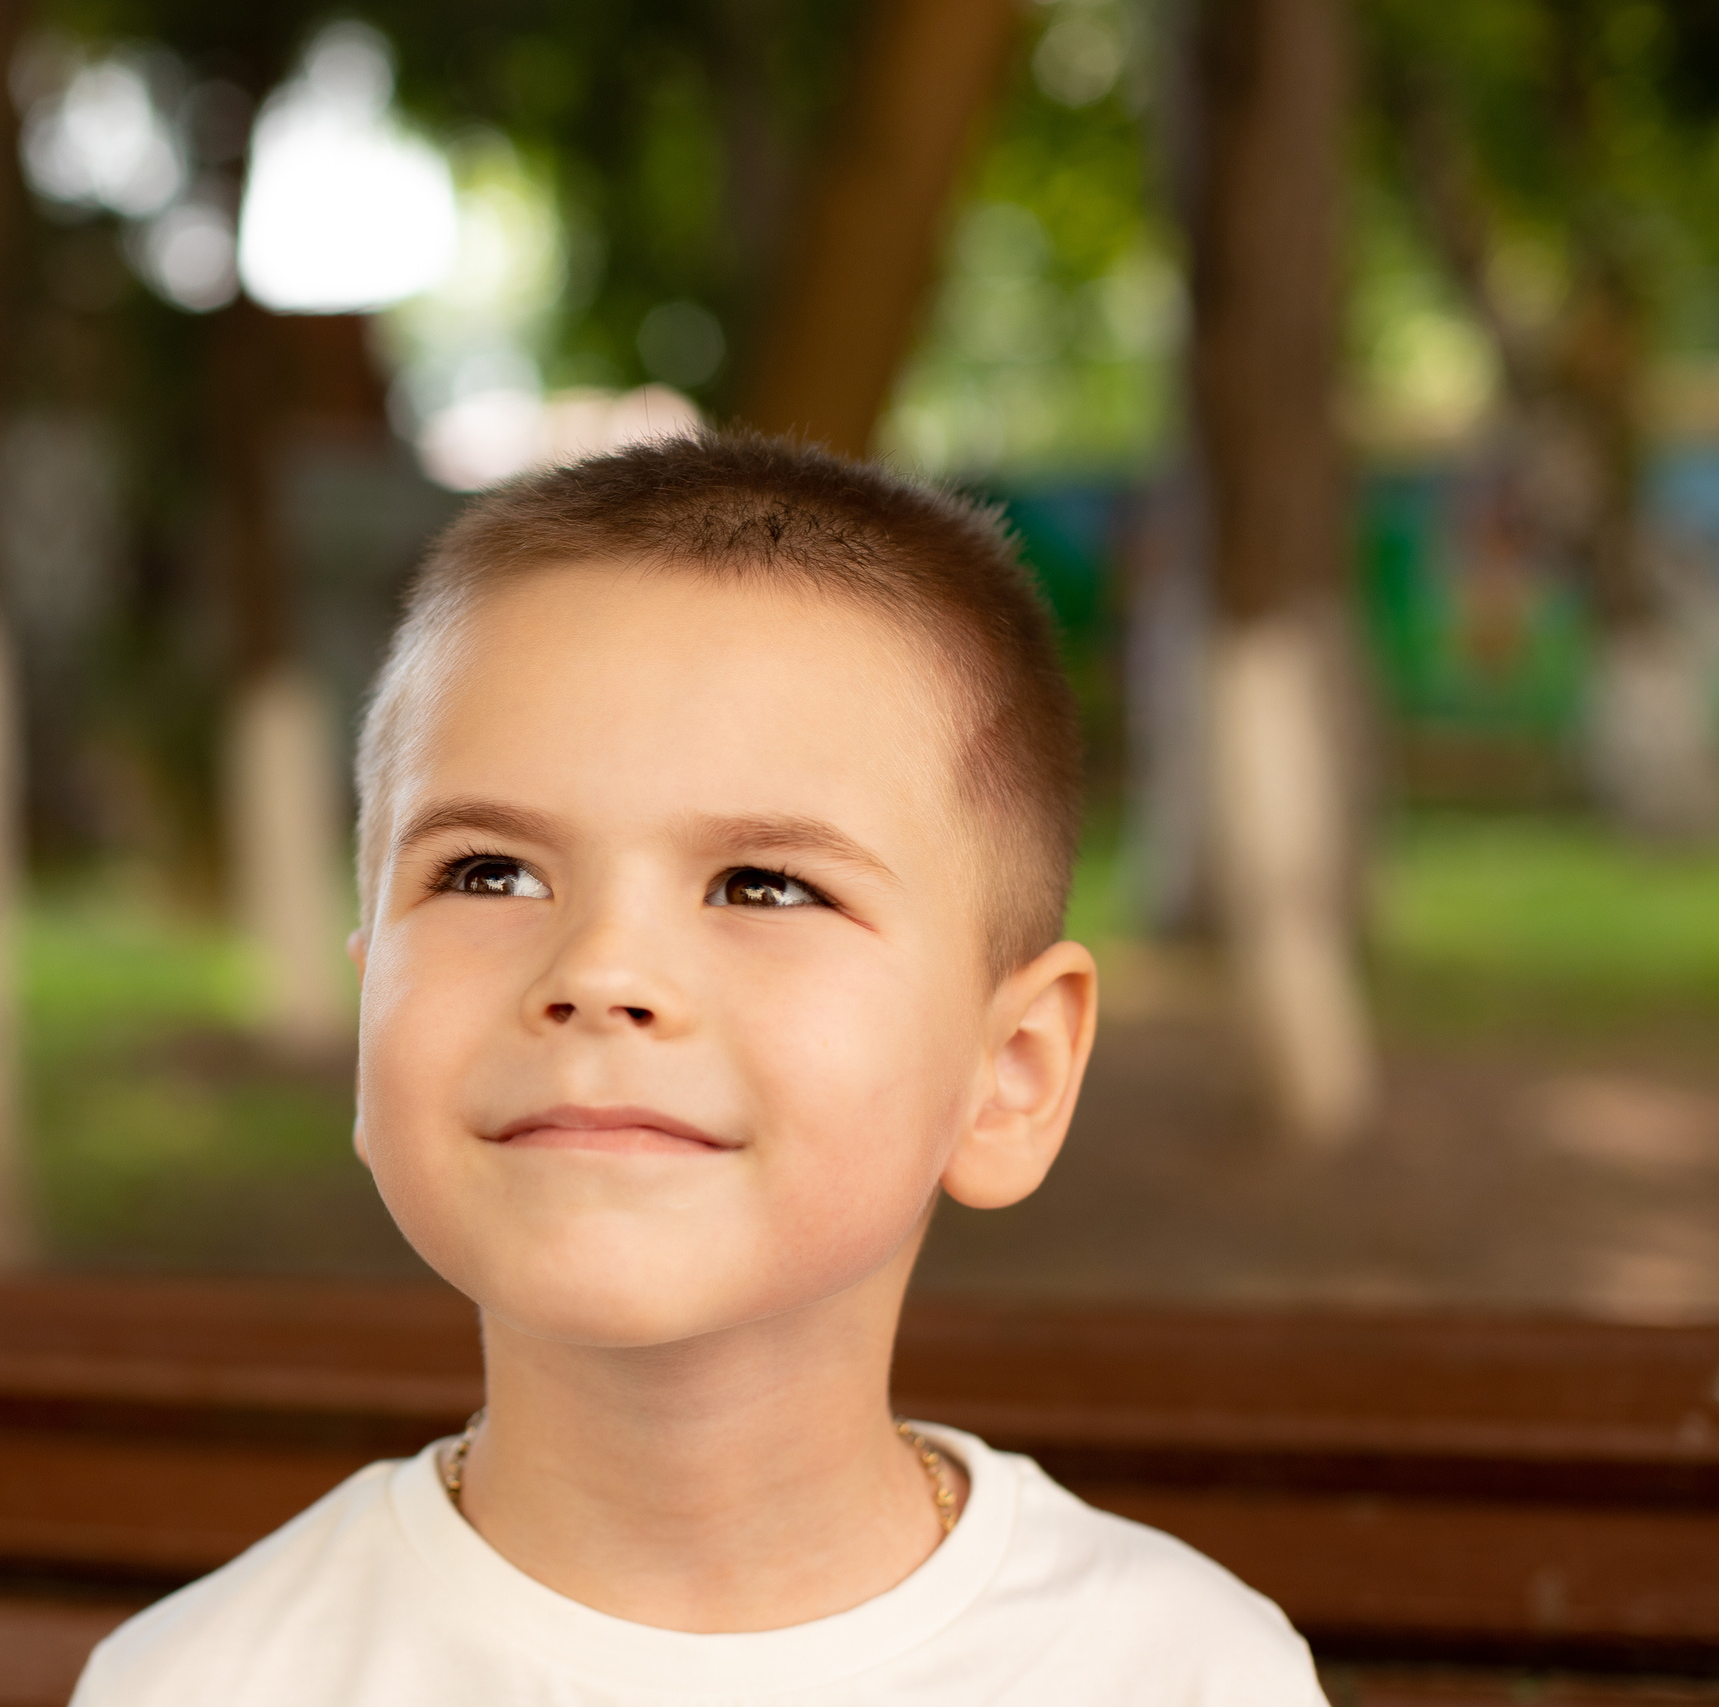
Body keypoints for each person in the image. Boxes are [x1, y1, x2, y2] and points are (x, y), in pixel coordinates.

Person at [71, 433, 1328, 1705]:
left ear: (1009, 1070)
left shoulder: (1183, 1675)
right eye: (487, 872)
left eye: (763, 885)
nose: (601, 969)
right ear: (367, 1019)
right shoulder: (199, 1683)